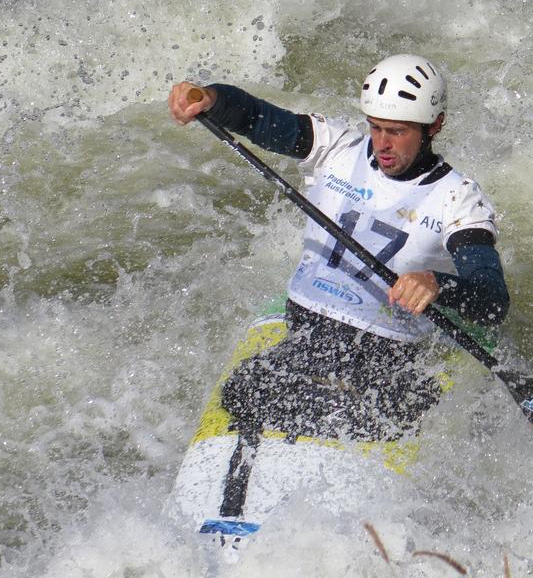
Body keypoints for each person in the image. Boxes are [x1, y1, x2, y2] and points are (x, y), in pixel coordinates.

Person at [167, 54, 509, 445]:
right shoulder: (336, 147)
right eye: (376, 127)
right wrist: (210, 99)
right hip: (306, 334)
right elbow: (257, 118)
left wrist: (437, 284)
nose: (382, 144)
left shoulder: (459, 200)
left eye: (397, 132)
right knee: (242, 391)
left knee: (264, 396)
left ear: (434, 125)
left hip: (383, 357)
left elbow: (493, 300)